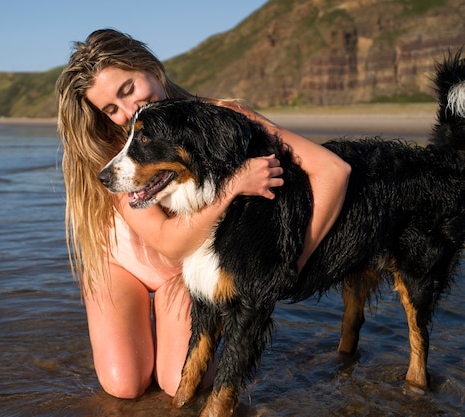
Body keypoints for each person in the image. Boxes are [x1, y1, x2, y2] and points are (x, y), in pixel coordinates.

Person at [56, 28, 351, 399]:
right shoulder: (116, 152)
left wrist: (291, 262)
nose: (129, 110)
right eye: (111, 108)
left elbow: (333, 171)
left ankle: (163, 327)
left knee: (178, 382)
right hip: (124, 266)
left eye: (128, 89)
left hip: (181, 271)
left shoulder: (224, 120)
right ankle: (126, 320)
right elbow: (166, 239)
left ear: (149, 68)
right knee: (124, 385)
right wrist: (231, 187)